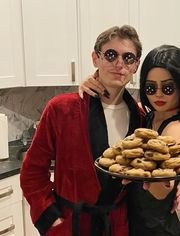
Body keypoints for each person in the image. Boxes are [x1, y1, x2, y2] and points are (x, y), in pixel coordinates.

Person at [20, 25, 144, 236]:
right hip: (71, 225)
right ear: (95, 58)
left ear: (136, 66)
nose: (119, 64)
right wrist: (50, 217)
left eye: (128, 57)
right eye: (111, 55)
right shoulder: (61, 108)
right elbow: (32, 172)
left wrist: (175, 186)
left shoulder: (140, 117)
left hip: (118, 226)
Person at [79, 45, 180, 235]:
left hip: (158, 230)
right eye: (151, 87)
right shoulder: (148, 115)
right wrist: (91, 81)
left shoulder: (176, 129)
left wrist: (167, 180)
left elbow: (159, 192)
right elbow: (115, 101)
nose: (158, 94)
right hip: (134, 226)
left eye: (167, 88)